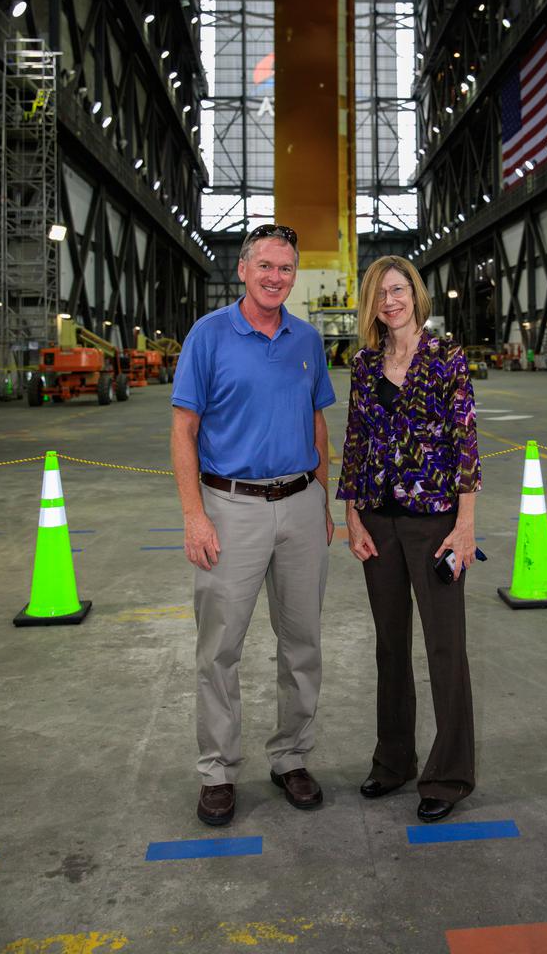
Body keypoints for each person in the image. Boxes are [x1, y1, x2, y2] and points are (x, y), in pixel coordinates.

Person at [171, 224, 336, 827]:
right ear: (243, 270)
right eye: (265, 266)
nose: (275, 277)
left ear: (295, 275)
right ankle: (218, 769)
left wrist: (321, 501)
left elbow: (318, 425)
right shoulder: (208, 336)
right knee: (220, 648)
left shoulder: (308, 340)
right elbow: (184, 431)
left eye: (286, 269)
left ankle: (291, 756)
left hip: (299, 504)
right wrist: (194, 515)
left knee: (303, 646)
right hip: (229, 507)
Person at [337, 256, 481, 824]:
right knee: (389, 646)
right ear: (370, 306)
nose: (390, 301)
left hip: (435, 522)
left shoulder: (447, 358)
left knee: (446, 649)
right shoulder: (365, 363)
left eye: (398, 290)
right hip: (377, 522)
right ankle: (393, 761)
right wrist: (351, 516)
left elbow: (465, 443)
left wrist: (465, 525)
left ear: (414, 296)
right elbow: (354, 443)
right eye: (379, 294)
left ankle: (447, 777)